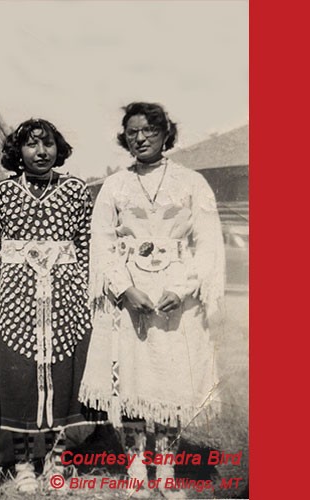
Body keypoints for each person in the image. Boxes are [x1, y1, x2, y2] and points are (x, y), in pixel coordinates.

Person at [79, 102, 225, 499]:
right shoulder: (115, 186)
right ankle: (136, 468)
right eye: (132, 133)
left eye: (148, 131)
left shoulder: (191, 182)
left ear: (165, 133)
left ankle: (165, 468)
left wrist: (182, 289)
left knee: (170, 382)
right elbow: (103, 243)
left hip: (175, 295)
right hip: (129, 295)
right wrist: (124, 289)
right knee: (131, 379)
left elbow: (207, 243)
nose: (139, 138)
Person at [0, 118, 94, 493]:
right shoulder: (1, 194)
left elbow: (85, 247)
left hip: (65, 295)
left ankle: (58, 456)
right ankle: (24, 462)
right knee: (19, 376)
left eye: (47, 144)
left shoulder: (75, 191)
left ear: (58, 149)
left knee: (63, 374)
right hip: (17, 299)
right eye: (31, 145)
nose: (40, 152)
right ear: (19, 152)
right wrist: (6, 296)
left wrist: (79, 295)